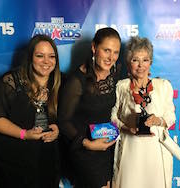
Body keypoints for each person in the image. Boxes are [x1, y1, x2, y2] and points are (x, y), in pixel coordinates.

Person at [0, 34, 61, 188]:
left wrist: (57, 130)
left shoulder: (59, 82)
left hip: (47, 162)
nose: (46, 61)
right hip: (14, 163)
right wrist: (24, 134)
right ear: (30, 58)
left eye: (51, 56)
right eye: (40, 56)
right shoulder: (11, 82)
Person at [58, 27, 121, 188]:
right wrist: (87, 143)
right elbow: (63, 122)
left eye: (116, 52)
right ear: (94, 48)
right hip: (85, 150)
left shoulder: (115, 74)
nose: (111, 57)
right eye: (106, 50)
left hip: (107, 147)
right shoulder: (77, 81)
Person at [111, 36, 176, 188]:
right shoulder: (121, 86)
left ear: (151, 62)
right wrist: (127, 128)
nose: (140, 65)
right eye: (135, 60)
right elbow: (113, 116)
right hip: (130, 150)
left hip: (156, 152)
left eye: (145, 60)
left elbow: (171, 117)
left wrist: (158, 120)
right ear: (128, 63)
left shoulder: (163, 86)